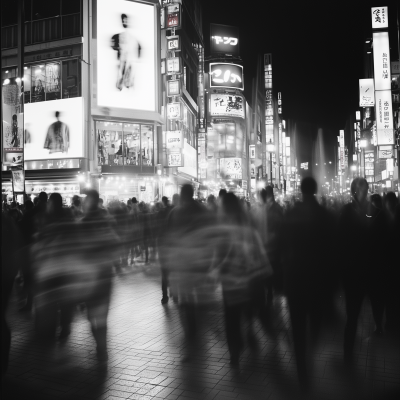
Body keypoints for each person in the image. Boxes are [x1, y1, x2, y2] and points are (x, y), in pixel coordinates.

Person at [282, 177, 336, 392]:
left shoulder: (290, 214)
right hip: (317, 280)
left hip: (295, 279)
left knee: (297, 325)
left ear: (300, 189)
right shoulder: (326, 215)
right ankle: (309, 353)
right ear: (315, 190)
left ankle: (302, 369)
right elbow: (333, 252)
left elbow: (282, 246)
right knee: (315, 321)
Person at [212, 193, 272, 365]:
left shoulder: (222, 231)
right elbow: (260, 254)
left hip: (230, 282)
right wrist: (266, 273)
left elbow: (217, 258)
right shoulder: (248, 229)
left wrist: (214, 274)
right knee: (247, 310)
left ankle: (235, 351)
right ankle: (248, 335)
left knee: (231, 317)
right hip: (249, 279)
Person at [339, 178, 370, 364]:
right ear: (353, 191)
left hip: (367, 270)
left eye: (364, 189)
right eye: (359, 189)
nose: (362, 192)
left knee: (356, 312)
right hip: (352, 272)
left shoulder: (373, 211)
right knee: (352, 314)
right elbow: (340, 242)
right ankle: (348, 352)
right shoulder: (346, 212)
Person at [111, 13, 141, 91]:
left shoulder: (132, 37)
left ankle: (127, 83)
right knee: (122, 70)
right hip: (123, 59)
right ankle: (123, 84)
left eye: (126, 20)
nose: (125, 22)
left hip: (128, 59)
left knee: (126, 70)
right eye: (124, 20)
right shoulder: (119, 35)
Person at [157, 196, 174, 304]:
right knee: (172, 269)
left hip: (163, 245)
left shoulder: (160, 213)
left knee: (164, 272)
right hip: (172, 246)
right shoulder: (173, 212)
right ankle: (173, 290)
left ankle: (164, 295)